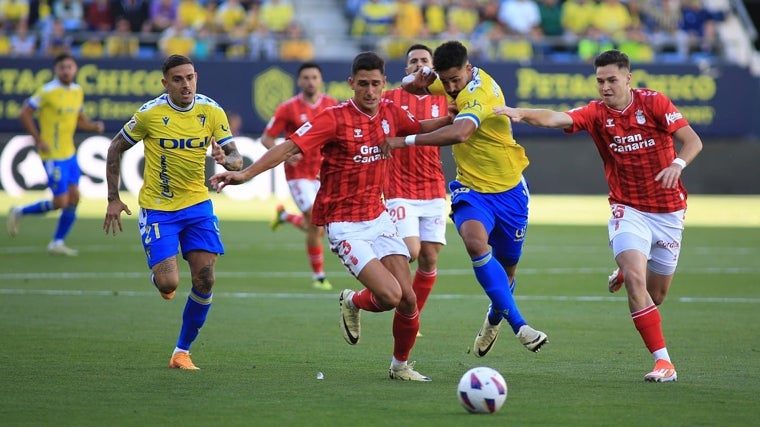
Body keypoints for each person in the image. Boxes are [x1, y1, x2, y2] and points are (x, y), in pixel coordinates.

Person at [210, 51, 453, 381]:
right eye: (363, 84)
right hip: (345, 224)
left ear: (384, 84)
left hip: (378, 217)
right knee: (392, 295)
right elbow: (288, 147)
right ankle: (353, 301)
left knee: (408, 299)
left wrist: (457, 117)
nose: (370, 91)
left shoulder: (391, 111)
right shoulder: (333, 117)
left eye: (376, 84)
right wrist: (246, 174)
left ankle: (400, 366)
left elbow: (420, 127)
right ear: (351, 84)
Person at [492, 49, 703, 382]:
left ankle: (624, 273)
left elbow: (692, 141)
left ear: (628, 78)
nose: (605, 87)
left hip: (669, 213)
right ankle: (664, 362)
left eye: (612, 80)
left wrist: (678, 164)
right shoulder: (595, 113)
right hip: (627, 208)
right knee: (637, 279)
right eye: (600, 81)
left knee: (657, 294)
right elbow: (555, 118)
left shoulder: (655, 103)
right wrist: (518, 112)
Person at [383, 40, 548, 358]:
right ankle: (521, 325)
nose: (450, 87)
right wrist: (417, 78)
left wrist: (406, 141)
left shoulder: (478, 92)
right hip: (470, 189)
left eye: (455, 80)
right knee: (474, 243)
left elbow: (460, 133)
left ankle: (494, 318)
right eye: (445, 81)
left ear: (468, 68)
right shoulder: (448, 81)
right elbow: (414, 88)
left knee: (507, 271)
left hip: (509, 190)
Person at [102, 54, 243, 370]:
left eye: (190, 77)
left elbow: (237, 158)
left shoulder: (211, 110)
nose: (186, 84)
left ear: (197, 77)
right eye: (178, 79)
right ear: (165, 83)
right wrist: (113, 198)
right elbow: (115, 148)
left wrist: (226, 160)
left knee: (205, 279)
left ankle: (182, 352)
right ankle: (160, 277)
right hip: (158, 209)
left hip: (198, 206)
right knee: (168, 284)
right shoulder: (150, 114)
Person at [9, 53, 105, 255]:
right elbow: (24, 112)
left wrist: (93, 126)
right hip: (52, 155)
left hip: (70, 153)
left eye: (70, 67)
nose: (66, 71)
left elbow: (79, 118)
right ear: (56, 70)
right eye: (62, 67)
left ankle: (57, 242)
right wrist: (37, 138)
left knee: (75, 197)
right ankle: (20, 211)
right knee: (60, 202)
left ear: (75, 69)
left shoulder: (77, 91)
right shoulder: (47, 91)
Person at [381, 44, 449, 328]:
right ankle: (368, 287)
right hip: (399, 188)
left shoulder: (445, 97)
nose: (419, 64)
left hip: (433, 186)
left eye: (424, 59)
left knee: (430, 258)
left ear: (433, 66)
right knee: (411, 251)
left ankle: (412, 317)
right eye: (413, 61)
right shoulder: (390, 98)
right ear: (406, 69)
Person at [261, 62, 339, 291]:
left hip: (323, 173)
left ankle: (284, 216)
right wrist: (285, 155)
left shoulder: (331, 106)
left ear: (321, 80)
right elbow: (267, 138)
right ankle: (319, 277)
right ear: (299, 81)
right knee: (316, 222)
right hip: (298, 174)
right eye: (306, 77)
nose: (310, 81)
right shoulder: (288, 108)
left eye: (314, 77)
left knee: (318, 226)